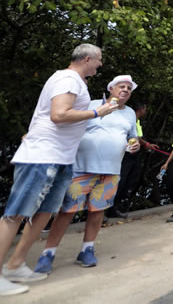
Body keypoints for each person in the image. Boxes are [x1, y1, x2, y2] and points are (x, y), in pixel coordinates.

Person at [0, 44, 115, 296]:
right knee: (17, 213)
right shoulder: (68, 78)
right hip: (43, 156)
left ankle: (15, 265)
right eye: (99, 60)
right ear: (87, 59)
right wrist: (98, 112)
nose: (100, 65)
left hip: (61, 159)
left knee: (45, 211)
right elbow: (59, 114)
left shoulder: (74, 81)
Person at [35, 75, 140, 273]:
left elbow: (132, 137)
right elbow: (68, 124)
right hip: (81, 168)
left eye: (129, 88)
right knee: (67, 211)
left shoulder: (130, 113)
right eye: (121, 86)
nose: (125, 89)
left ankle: (87, 249)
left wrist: (134, 145)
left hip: (111, 171)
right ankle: (48, 253)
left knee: (97, 210)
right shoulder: (91, 104)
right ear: (111, 88)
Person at [108, 100, 157, 218]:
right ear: (141, 109)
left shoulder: (137, 121)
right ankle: (108, 209)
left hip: (134, 154)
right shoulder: (130, 119)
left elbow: (136, 137)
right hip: (126, 154)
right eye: (145, 108)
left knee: (130, 181)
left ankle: (116, 207)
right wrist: (146, 144)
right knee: (121, 180)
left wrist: (145, 144)